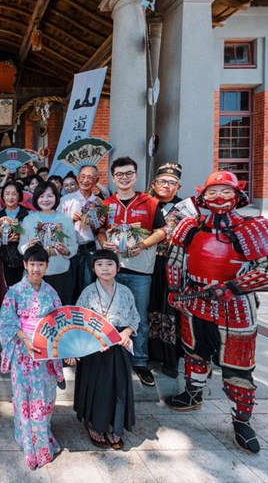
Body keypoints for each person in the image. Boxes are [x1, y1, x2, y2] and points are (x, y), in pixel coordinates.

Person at [165, 171, 268, 454]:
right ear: (202, 196)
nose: (218, 198)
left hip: (235, 306)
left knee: (238, 366)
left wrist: (234, 287)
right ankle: (193, 394)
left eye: (225, 191)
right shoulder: (190, 225)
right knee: (194, 352)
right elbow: (174, 259)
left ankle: (242, 421)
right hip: (195, 298)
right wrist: (175, 289)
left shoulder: (253, 226)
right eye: (212, 192)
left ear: (237, 195)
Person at [97, 156, 166, 388]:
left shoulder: (150, 203)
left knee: (139, 316)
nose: (124, 178)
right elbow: (100, 231)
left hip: (140, 269)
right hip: (112, 270)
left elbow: (161, 231)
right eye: (119, 174)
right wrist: (104, 242)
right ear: (113, 178)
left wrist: (143, 245)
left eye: (128, 173)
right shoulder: (106, 204)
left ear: (135, 176)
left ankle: (140, 361)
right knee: (111, 314)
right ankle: (114, 356)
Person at [0, 245, 65, 470]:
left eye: (41, 264)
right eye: (32, 264)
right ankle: (29, 441)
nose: (36, 268)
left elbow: (59, 322)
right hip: (23, 351)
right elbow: (7, 321)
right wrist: (25, 339)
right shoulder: (15, 292)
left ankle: (42, 436)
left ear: (47, 266)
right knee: (24, 397)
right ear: (25, 265)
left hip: (45, 352)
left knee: (45, 396)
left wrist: (62, 349)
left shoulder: (51, 293)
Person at [72, 249, 139, 450]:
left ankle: (113, 424)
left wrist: (127, 332)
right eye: (100, 264)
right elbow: (78, 320)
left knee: (117, 388)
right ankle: (94, 424)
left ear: (118, 268)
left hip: (118, 345)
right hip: (95, 348)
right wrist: (93, 340)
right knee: (98, 388)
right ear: (93, 269)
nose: (105, 268)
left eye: (110, 264)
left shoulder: (125, 292)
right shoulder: (88, 292)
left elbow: (135, 317)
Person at [146, 162, 190, 378]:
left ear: (178, 187)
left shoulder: (185, 210)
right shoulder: (145, 204)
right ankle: (147, 353)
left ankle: (169, 358)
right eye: (162, 181)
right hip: (145, 263)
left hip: (172, 265)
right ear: (154, 184)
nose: (166, 186)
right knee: (148, 307)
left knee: (169, 310)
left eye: (171, 183)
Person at [19, 181, 77, 305]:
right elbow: (21, 246)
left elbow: (73, 245)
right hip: (35, 274)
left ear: (56, 198)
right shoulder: (29, 220)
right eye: (41, 196)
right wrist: (27, 247)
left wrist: (67, 251)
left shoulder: (65, 219)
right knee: (35, 309)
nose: (46, 200)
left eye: (50, 196)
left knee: (60, 308)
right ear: (36, 198)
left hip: (59, 272)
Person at [59, 165, 105, 304]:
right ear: (78, 179)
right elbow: (56, 226)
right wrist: (70, 220)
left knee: (87, 287)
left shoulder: (98, 202)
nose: (86, 180)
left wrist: (97, 224)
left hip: (89, 249)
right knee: (69, 287)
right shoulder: (66, 200)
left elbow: (100, 231)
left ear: (96, 180)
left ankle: (84, 319)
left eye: (90, 177)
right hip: (69, 250)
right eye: (83, 176)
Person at [0, 181, 32, 287]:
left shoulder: (28, 213)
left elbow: (33, 235)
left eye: (14, 194)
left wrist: (21, 238)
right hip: (7, 258)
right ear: (3, 196)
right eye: (7, 193)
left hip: (25, 259)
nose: (10, 197)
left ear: (19, 196)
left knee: (26, 288)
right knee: (11, 288)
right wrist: (1, 238)